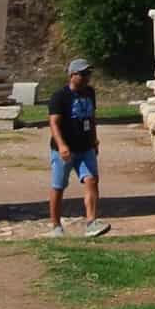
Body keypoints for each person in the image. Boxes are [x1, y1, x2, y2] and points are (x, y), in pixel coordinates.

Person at [47, 56, 110, 238]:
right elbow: (54, 123)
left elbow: (92, 118)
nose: (87, 77)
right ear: (72, 75)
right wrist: (61, 145)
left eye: (88, 74)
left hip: (85, 147)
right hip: (64, 149)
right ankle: (56, 225)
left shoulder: (90, 92)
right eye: (83, 74)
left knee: (91, 180)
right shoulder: (60, 96)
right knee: (58, 186)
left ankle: (91, 222)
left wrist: (95, 140)